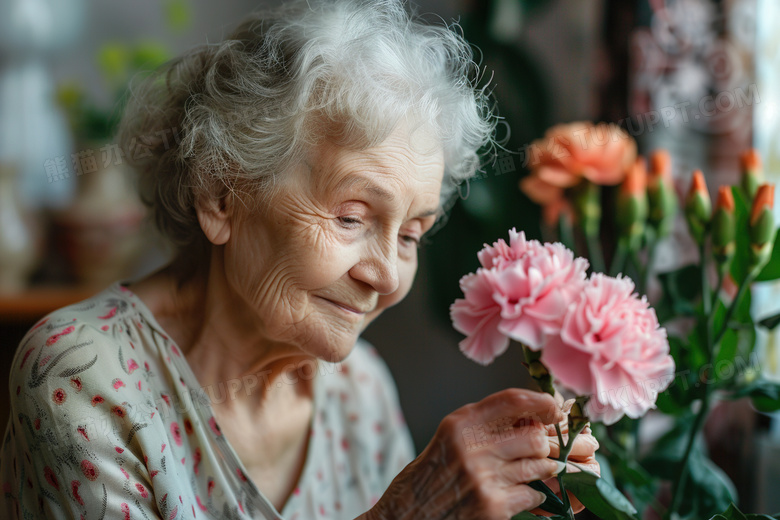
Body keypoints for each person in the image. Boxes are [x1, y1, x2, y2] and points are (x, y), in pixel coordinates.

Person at [0, 1, 598, 518]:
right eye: (351, 217)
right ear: (222, 195)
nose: (387, 275)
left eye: (412, 235)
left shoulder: (358, 390)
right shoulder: (83, 378)